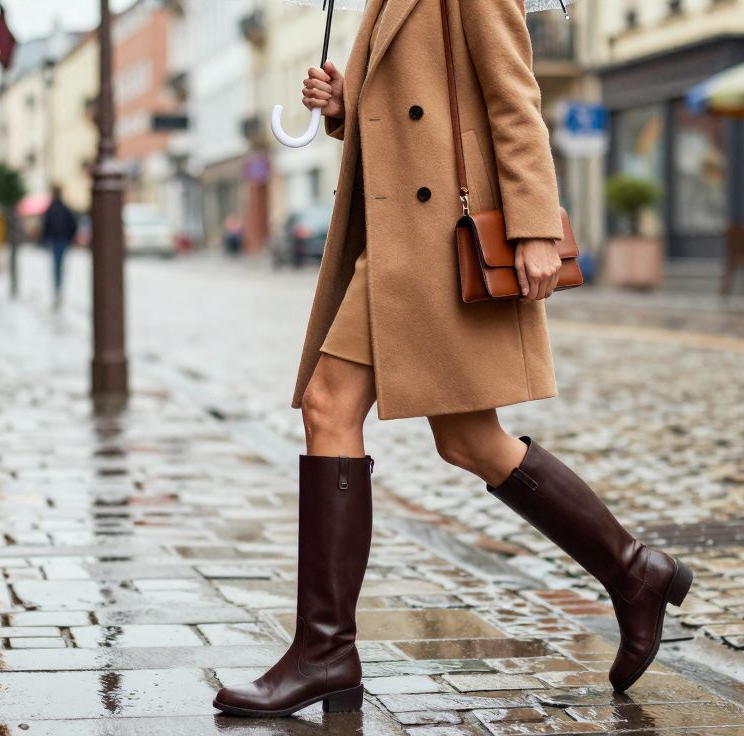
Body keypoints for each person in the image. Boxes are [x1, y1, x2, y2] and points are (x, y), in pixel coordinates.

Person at [212, 0, 693, 719]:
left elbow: (513, 95)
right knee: (469, 441)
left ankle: (325, 649)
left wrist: (533, 225)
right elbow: (419, 109)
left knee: (329, 404)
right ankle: (634, 570)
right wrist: (346, 105)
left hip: (436, 240)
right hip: (401, 233)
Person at [41, 185, 78, 309]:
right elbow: (73, 223)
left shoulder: (51, 208)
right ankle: (58, 289)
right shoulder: (65, 208)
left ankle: (57, 289)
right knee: (59, 265)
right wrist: (71, 237)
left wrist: (46, 238)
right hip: (63, 240)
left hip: (56, 240)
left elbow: (46, 225)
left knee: (56, 266)